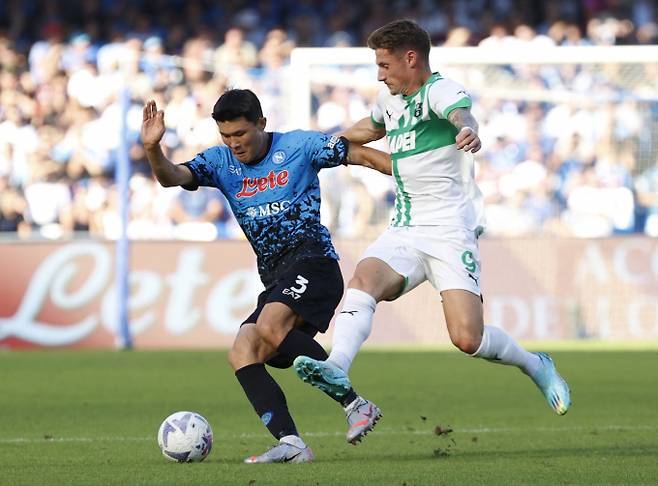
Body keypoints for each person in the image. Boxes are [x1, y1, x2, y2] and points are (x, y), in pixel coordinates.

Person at [293, 20, 571, 425]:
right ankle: (337, 365)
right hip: (405, 226)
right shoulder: (389, 101)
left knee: (467, 339)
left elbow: (460, 114)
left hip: (450, 231)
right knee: (364, 281)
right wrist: (321, 144)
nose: (379, 73)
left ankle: (534, 363)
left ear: (411, 58)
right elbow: (369, 128)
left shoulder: (439, 90)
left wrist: (468, 131)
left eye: (385, 65)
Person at [140, 89, 390, 463]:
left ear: (261, 123)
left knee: (272, 325)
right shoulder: (220, 162)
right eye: (226, 136)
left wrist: (409, 175)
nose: (234, 143)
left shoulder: (299, 146)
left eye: (240, 134)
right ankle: (292, 444)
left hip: (314, 262)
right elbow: (171, 177)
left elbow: (358, 154)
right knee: (243, 350)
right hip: (276, 277)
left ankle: (357, 405)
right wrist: (152, 149)